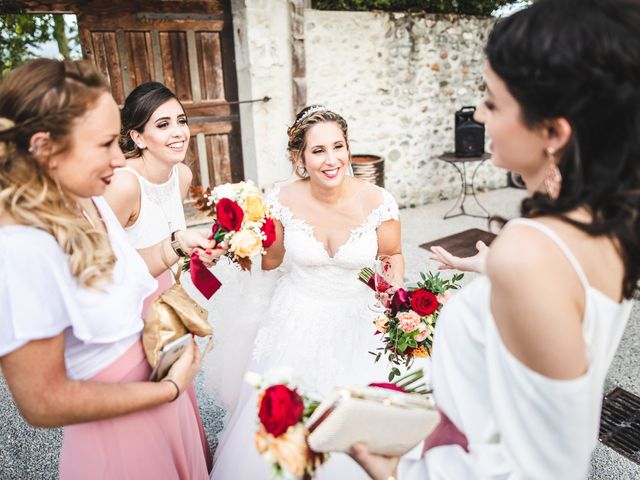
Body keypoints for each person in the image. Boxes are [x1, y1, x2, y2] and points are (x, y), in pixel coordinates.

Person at [349, 0, 640, 478]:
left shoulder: (528, 254)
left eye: (492, 100)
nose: (479, 116)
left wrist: (396, 473)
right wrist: (487, 269)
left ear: (552, 131)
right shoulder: (610, 221)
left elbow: (543, 469)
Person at [0, 59, 209, 479]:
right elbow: (43, 402)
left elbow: (131, 269)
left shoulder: (90, 199)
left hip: (163, 398)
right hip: (119, 435)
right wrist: (166, 389)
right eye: (105, 144)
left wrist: (175, 245)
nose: (119, 160)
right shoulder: (19, 248)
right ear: (45, 148)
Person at [210, 106, 405, 478]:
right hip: (297, 316)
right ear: (298, 158)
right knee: (284, 424)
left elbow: (391, 255)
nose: (332, 160)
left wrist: (390, 291)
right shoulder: (281, 199)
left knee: (360, 423)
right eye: (318, 151)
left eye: (339, 147)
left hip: (358, 319)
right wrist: (246, 237)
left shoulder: (379, 202)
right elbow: (271, 262)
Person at [104, 81, 221, 314]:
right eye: (163, 124)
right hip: (130, 306)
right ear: (138, 138)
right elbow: (104, 268)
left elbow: (167, 238)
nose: (178, 131)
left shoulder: (182, 175)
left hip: (169, 297)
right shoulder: (124, 185)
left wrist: (198, 250)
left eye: (181, 121)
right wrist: (177, 245)